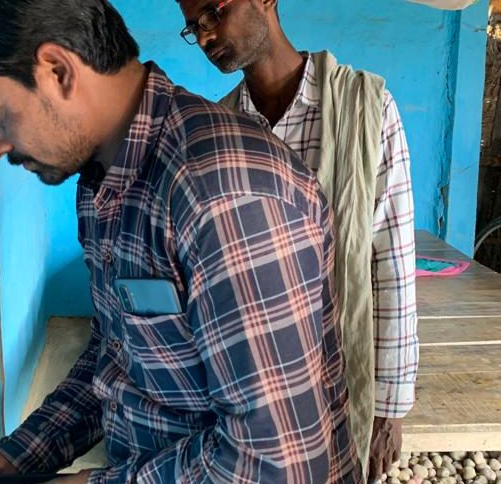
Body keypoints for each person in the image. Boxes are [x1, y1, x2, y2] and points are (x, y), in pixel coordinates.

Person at [0, 0, 360, 482]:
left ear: (58, 70)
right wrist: (17, 457)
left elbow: (275, 462)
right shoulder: (102, 180)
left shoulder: (221, 193)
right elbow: (119, 353)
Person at [173, 0, 420, 480]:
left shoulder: (365, 106)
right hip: (251, 402)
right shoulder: (220, 130)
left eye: (213, 12)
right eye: (192, 27)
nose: (204, 36)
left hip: (338, 382)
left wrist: (388, 408)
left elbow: (390, 260)